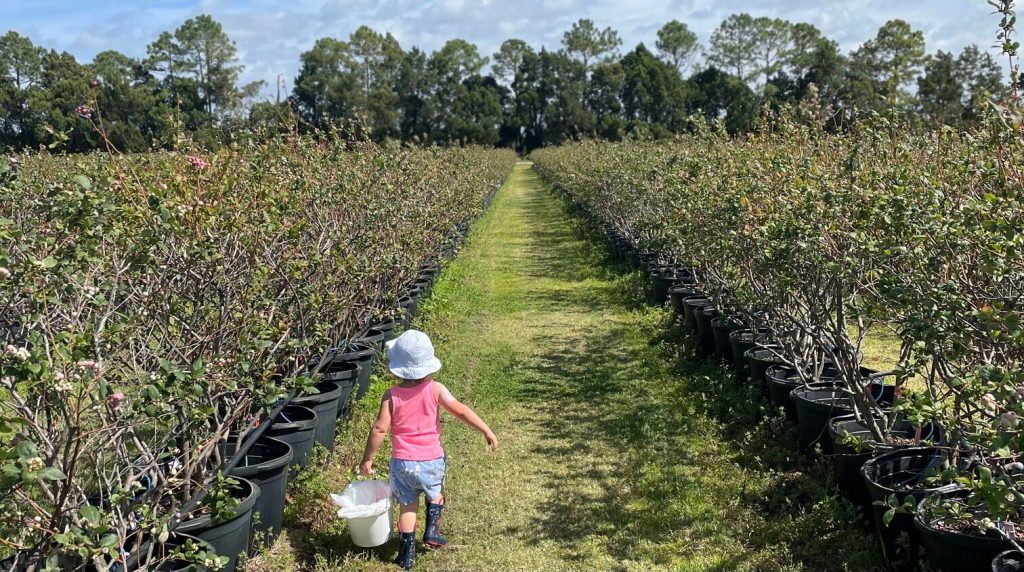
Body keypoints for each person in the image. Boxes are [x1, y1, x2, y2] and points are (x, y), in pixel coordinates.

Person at [359, 329, 498, 570]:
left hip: (402, 463)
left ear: (397, 366)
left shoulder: (390, 395)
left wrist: (367, 459)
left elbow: (379, 429)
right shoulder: (435, 389)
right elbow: (461, 410)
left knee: (407, 506)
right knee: (435, 494)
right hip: (432, 459)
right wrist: (486, 429)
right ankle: (432, 531)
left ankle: (406, 555)